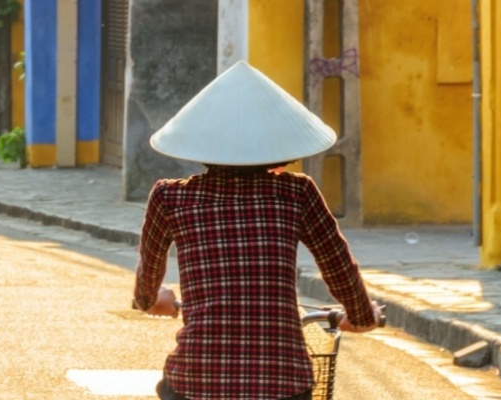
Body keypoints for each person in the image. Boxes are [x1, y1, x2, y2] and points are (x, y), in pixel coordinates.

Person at [131, 63, 380, 400]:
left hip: (197, 381)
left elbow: (147, 280)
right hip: (283, 383)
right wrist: (363, 316)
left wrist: (151, 299)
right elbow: (338, 267)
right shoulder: (297, 193)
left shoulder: (170, 198)